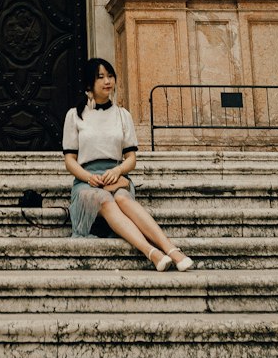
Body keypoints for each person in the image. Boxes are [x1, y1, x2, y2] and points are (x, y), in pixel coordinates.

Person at [62, 56, 194, 271]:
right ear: (88, 84)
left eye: (110, 76)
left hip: (117, 175)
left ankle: (171, 250)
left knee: (123, 197)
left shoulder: (123, 115)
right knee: (104, 198)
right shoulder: (74, 116)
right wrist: (88, 177)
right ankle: (151, 252)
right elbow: (70, 161)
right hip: (87, 182)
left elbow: (131, 158)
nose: (108, 81)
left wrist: (117, 170)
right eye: (101, 77)